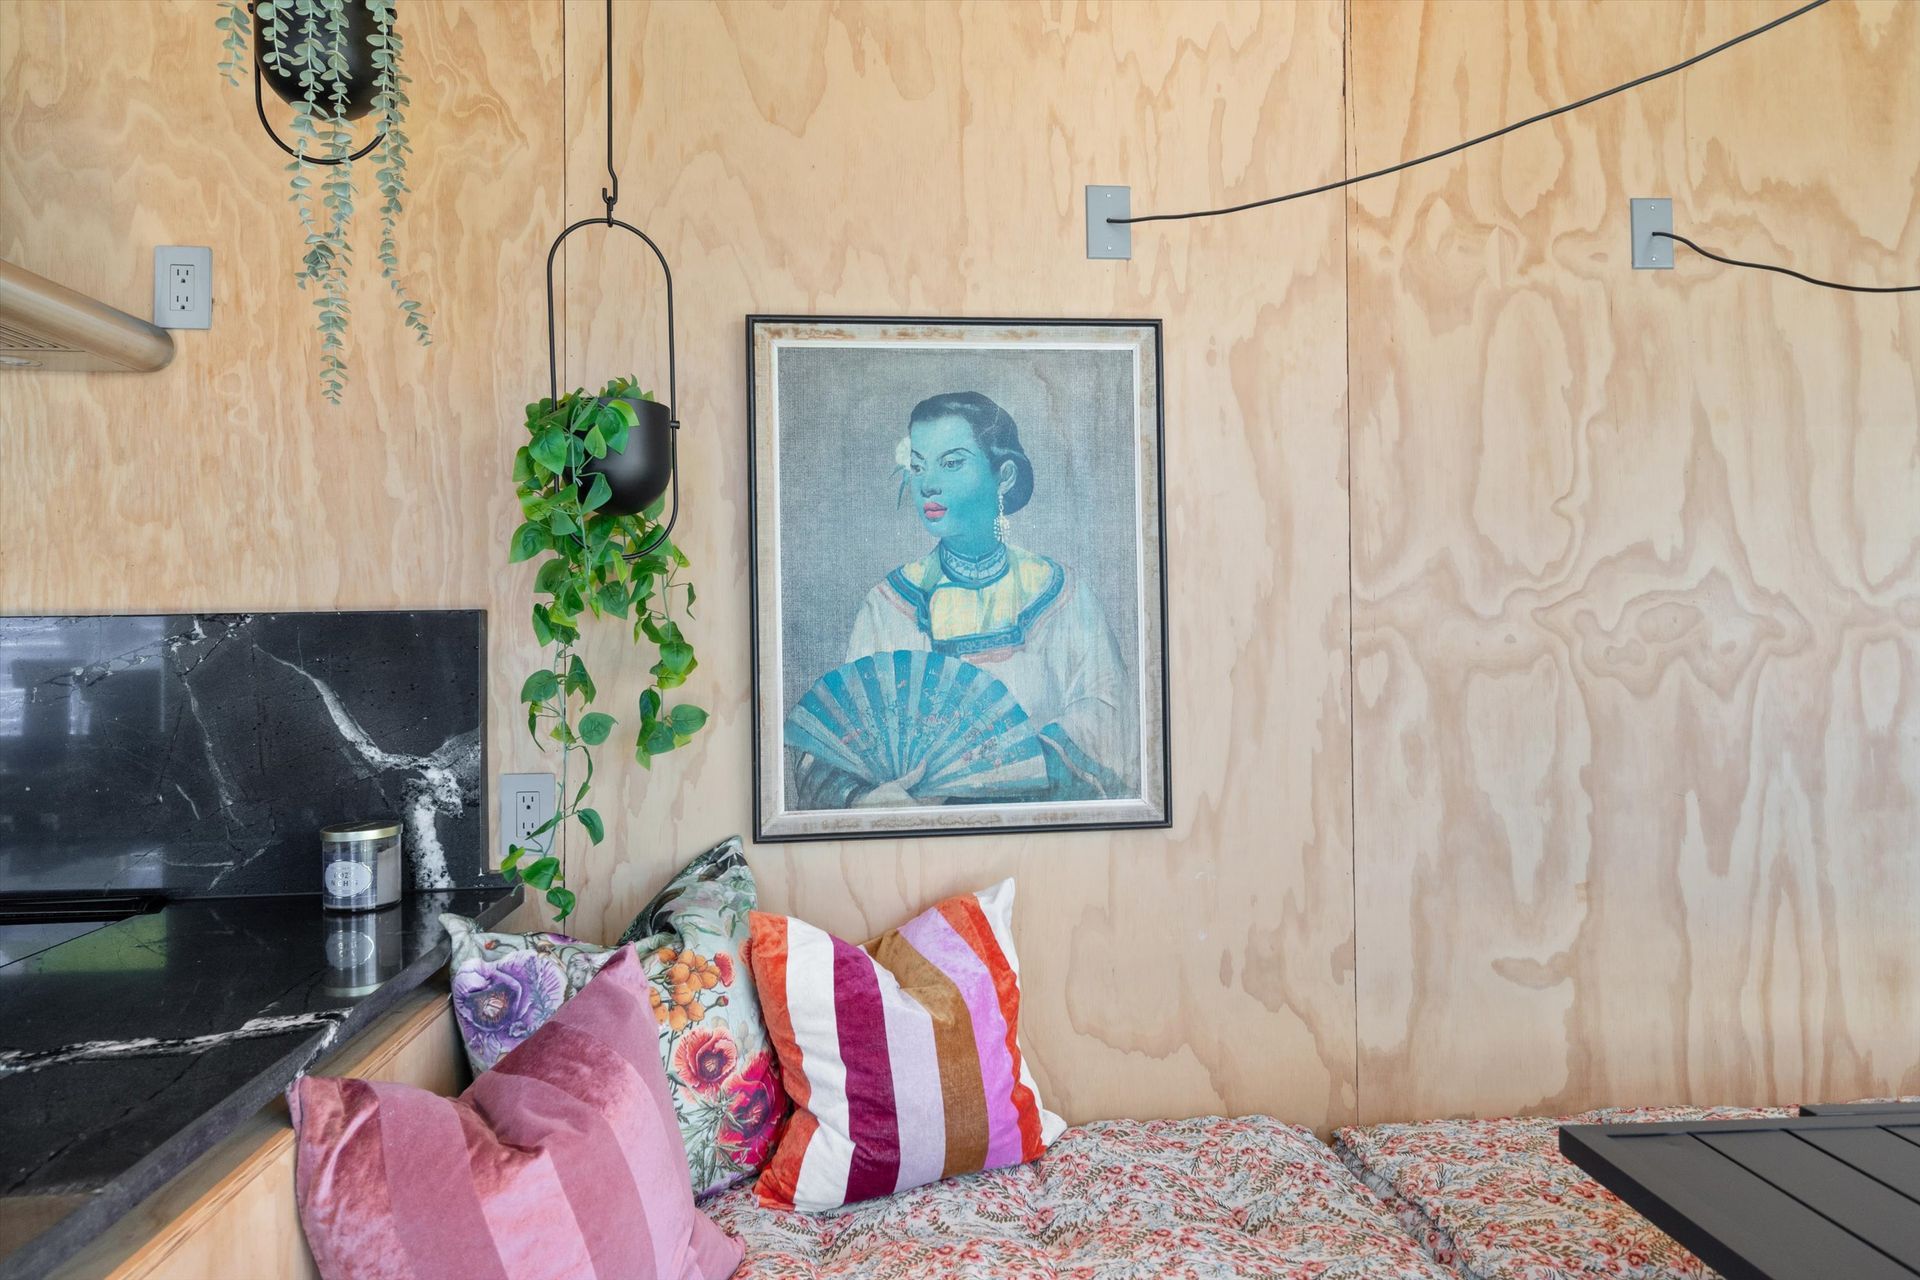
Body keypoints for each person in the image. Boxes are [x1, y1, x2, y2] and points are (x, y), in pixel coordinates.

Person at [792, 391, 1134, 810]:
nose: (927, 483)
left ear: (1004, 476)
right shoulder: (889, 604)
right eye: (917, 466)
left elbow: (1112, 727)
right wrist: (869, 801)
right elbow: (834, 738)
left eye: (952, 463)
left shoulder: (1060, 595)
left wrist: (1001, 769)